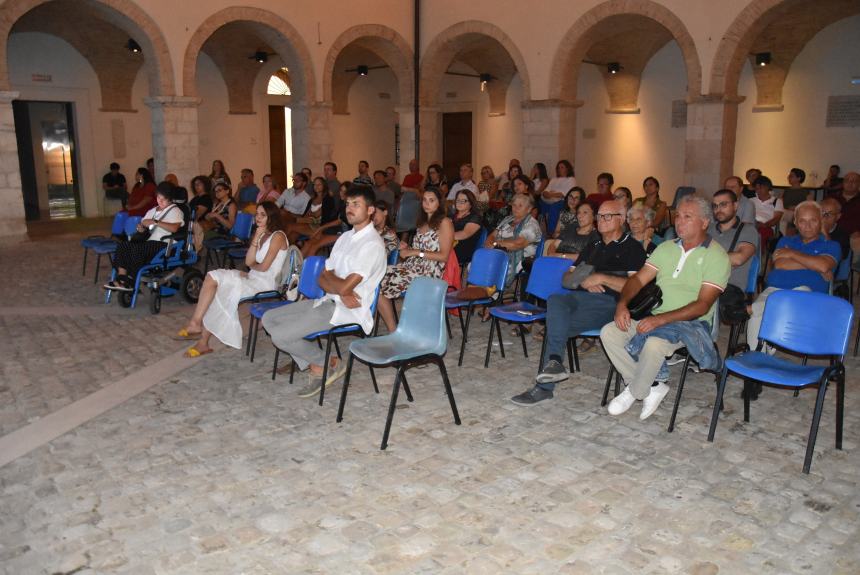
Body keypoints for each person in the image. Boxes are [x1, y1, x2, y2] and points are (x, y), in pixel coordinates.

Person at [600, 195, 730, 420]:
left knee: (654, 343)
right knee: (609, 332)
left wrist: (661, 320)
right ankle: (653, 385)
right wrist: (622, 304)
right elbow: (638, 280)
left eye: (687, 217)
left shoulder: (717, 256)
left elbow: (702, 305)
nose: (679, 221)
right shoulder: (666, 248)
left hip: (691, 324)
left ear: (705, 222)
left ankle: (635, 392)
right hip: (655, 316)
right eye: (678, 216)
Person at [512, 200, 647, 404]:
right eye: (599, 215)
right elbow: (567, 279)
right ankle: (555, 364)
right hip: (583, 299)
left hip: (611, 304)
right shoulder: (593, 245)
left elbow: (636, 286)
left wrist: (601, 278)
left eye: (607, 216)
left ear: (621, 219)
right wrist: (584, 281)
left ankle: (544, 387)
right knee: (556, 301)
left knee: (555, 324)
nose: (601, 220)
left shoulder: (632, 248)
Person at [262, 186, 386, 398]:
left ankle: (323, 365)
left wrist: (336, 284)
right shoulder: (345, 237)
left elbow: (344, 286)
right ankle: (320, 361)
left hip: (348, 310)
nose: (350, 208)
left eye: (356, 204)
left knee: (280, 337)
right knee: (268, 319)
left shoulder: (372, 244)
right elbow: (322, 276)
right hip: (329, 300)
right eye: (348, 204)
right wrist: (337, 285)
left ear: (371, 210)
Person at [745, 201, 839, 399]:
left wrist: (793, 255)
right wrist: (812, 264)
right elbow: (780, 264)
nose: (807, 225)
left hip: (806, 296)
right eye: (802, 221)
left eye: (813, 220)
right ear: (795, 222)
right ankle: (755, 371)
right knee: (757, 314)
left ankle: (759, 361)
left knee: (770, 306)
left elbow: (824, 264)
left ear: (821, 220)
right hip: (774, 290)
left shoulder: (831, 245)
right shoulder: (784, 241)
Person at [177, 202, 289, 356]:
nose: (258, 218)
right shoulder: (261, 234)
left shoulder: (278, 236)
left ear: (272, 216)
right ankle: (195, 323)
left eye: (263, 215)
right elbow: (249, 261)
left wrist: (251, 270)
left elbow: (263, 267)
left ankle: (202, 342)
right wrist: (256, 236)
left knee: (224, 290)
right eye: (257, 214)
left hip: (265, 283)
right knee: (212, 276)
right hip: (254, 277)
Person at [377, 187, 454, 332]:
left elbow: (443, 256)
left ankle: (396, 330)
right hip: (414, 266)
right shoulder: (421, 223)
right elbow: (421, 249)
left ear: (439, 203)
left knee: (381, 281)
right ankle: (394, 330)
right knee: (377, 276)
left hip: (429, 271)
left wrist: (415, 252)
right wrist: (408, 248)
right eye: (424, 200)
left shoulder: (444, 223)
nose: (427, 204)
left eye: (431, 200)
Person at [103, 183, 184, 291]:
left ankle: (131, 280)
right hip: (150, 242)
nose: (160, 201)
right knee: (123, 246)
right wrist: (141, 228)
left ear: (170, 200)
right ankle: (122, 278)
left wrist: (156, 222)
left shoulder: (175, 211)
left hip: (167, 244)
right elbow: (143, 225)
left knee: (137, 249)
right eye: (158, 198)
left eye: (163, 199)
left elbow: (174, 228)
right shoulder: (153, 210)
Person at [484, 193, 542, 289]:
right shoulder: (507, 219)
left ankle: (491, 294)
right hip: (498, 252)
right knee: (477, 262)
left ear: (529, 208)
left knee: (489, 267)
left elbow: (517, 244)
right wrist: (489, 242)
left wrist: (495, 244)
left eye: (520, 205)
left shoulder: (532, 224)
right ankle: (481, 291)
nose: (515, 208)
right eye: (514, 205)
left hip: (520, 257)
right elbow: (493, 235)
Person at [708, 189, 759, 291]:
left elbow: (739, 258)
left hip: (729, 289)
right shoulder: (708, 229)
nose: (718, 209)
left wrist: (701, 257)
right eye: (715, 206)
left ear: (735, 206)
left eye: (723, 204)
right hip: (703, 283)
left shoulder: (748, 230)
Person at [300, 181, 352, 257]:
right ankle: (297, 264)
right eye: (341, 190)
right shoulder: (342, 203)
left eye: (345, 191)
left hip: (346, 234)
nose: (342, 193)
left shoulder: (350, 206)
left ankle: (306, 267)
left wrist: (321, 228)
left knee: (315, 245)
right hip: (336, 230)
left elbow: (339, 221)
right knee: (309, 242)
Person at [287, 176, 337, 246]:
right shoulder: (312, 199)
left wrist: (311, 215)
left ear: (324, 186)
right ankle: (290, 251)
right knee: (293, 233)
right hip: (309, 223)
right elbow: (306, 214)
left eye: (319, 185)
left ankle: (282, 248)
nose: (316, 186)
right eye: (314, 185)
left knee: (291, 226)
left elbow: (318, 216)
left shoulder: (328, 199)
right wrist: (311, 215)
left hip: (320, 227)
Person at [828, 171, 860, 266]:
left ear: (859, 184)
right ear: (843, 183)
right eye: (847, 181)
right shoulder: (832, 198)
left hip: (854, 235)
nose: (850, 183)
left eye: (854, 181)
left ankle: (851, 275)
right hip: (832, 232)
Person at [194, 182, 237, 252]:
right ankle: (197, 250)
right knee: (196, 225)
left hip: (225, 233)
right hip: (215, 229)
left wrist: (217, 216)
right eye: (215, 191)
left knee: (198, 229)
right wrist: (209, 217)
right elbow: (211, 220)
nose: (217, 193)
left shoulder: (231, 205)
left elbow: (231, 226)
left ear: (227, 191)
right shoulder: (217, 204)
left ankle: (197, 251)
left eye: (219, 190)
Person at [750, 175, 783, 254]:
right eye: (757, 188)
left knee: (761, 233)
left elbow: (777, 218)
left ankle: (759, 257)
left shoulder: (777, 201)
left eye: (761, 188)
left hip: (767, 227)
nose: (758, 191)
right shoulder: (751, 201)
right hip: (752, 225)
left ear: (768, 187)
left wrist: (764, 225)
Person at [451, 189, 483, 266]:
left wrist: (441, 236)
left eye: (463, 201)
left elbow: (464, 234)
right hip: (450, 246)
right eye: (458, 200)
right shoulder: (452, 215)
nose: (459, 203)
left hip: (462, 250)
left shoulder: (475, 217)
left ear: (471, 203)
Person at [780, 168, 810, 235]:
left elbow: (810, 205)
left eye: (791, 176)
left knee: (789, 217)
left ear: (799, 178)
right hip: (786, 213)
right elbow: (780, 203)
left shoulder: (805, 191)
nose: (788, 177)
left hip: (799, 213)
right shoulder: (786, 190)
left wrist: (796, 207)